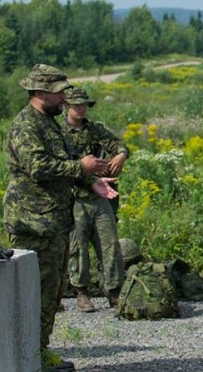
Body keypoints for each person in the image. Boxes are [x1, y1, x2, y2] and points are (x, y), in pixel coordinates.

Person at [4, 64, 117, 372]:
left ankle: (39, 352)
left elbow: (62, 168)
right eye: (59, 92)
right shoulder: (26, 125)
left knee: (52, 295)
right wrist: (81, 167)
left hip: (54, 221)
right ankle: (28, 363)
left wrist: (89, 182)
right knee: (33, 294)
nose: (64, 98)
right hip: (32, 223)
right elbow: (39, 167)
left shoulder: (48, 124)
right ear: (40, 93)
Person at [61, 86, 128, 312]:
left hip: (100, 197)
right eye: (76, 105)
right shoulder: (59, 132)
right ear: (66, 106)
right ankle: (81, 291)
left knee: (109, 244)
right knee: (77, 247)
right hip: (75, 197)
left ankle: (114, 290)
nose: (81, 109)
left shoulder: (95, 129)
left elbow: (118, 144)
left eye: (84, 105)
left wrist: (121, 154)